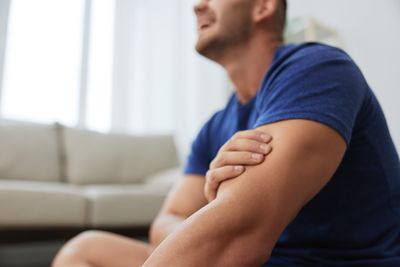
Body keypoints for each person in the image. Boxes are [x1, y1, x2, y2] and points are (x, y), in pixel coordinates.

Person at [52, 0, 400, 266]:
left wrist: (221, 212)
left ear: (263, 6)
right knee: (86, 250)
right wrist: (219, 207)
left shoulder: (319, 70)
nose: (198, 5)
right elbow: (164, 224)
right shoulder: (215, 127)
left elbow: (238, 236)